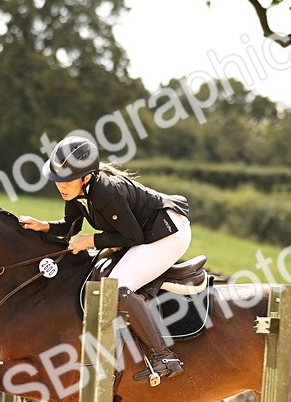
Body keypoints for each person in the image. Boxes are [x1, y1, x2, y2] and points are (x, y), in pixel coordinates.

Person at [19, 136, 192, 384]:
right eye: (57, 180)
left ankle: (162, 356)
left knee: (117, 288)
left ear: (85, 177)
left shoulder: (106, 192)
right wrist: (44, 226)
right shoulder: (78, 193)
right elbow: (71, 226)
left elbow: (132, 236)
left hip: (168, 233)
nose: (61, 186)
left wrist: (90, 241)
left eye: (66, 180)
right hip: (145, 234)